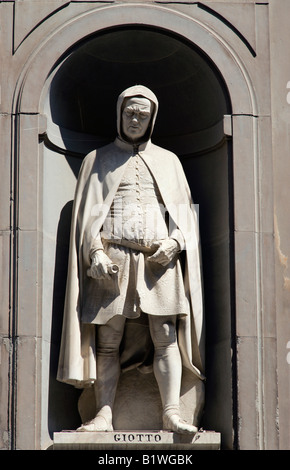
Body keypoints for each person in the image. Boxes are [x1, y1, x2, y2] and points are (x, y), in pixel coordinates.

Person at [57, 85, 205, 434]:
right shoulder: (97, 159)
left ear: (152, 119)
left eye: (142, 114)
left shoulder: (169, 161)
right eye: (129, 113)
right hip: (113, 258)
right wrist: (93, 252)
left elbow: (186, 216)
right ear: (119, 114)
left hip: (159, 260)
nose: (135, 119)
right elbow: (87, 217)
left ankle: (171, 412)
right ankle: (104, 414)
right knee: (107, 338)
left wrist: (176, 240)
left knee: (165, 334)